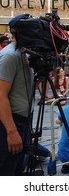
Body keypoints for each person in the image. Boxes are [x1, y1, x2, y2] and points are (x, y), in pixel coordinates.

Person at [0, 14, 34, 176]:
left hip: (24, 121)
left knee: (18, 169)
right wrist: (11, 131)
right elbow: (0, 95)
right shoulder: (10, 56)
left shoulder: (25, 54)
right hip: (11, 122)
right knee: (7, 170)